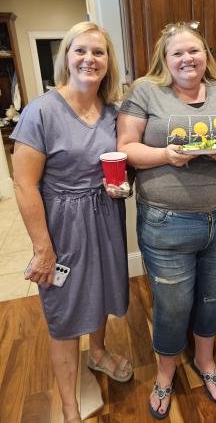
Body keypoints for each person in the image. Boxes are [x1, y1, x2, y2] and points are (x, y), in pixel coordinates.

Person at [117, 21, 216, 419]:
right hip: (167, 222)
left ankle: (205, 362)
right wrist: (166, 156)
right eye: (178, 53)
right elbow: (125, 148)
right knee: (173, 305)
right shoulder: (145, 91)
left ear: (205, 55)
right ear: (165, 59)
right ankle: (164, 373)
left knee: (212, 298)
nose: (188, 59)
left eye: (195, 51)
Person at [11, 21, 133, 423]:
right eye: (80, 50)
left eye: (98, 52)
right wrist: (43, 249)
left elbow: (116, 166)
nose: (89, 59)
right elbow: (24, 184)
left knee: (101, 292)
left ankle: (98, 353)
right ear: (66, 56)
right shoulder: (40, 111)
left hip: (104, 216)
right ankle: (68, 405)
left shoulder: (113, 112)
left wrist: (121, 188)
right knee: (63, 314)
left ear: (108, 62)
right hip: (62, 224)